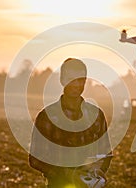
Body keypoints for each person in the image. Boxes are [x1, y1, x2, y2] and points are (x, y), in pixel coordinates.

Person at [28, 58, 112, 187]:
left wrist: (98, 172)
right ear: (62, 80)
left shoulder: (97, 115)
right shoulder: (47, 117)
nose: (77, 84)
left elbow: (106, 152)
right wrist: (68, 174)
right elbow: (35, 159)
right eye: (71, 79)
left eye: (81, 80)